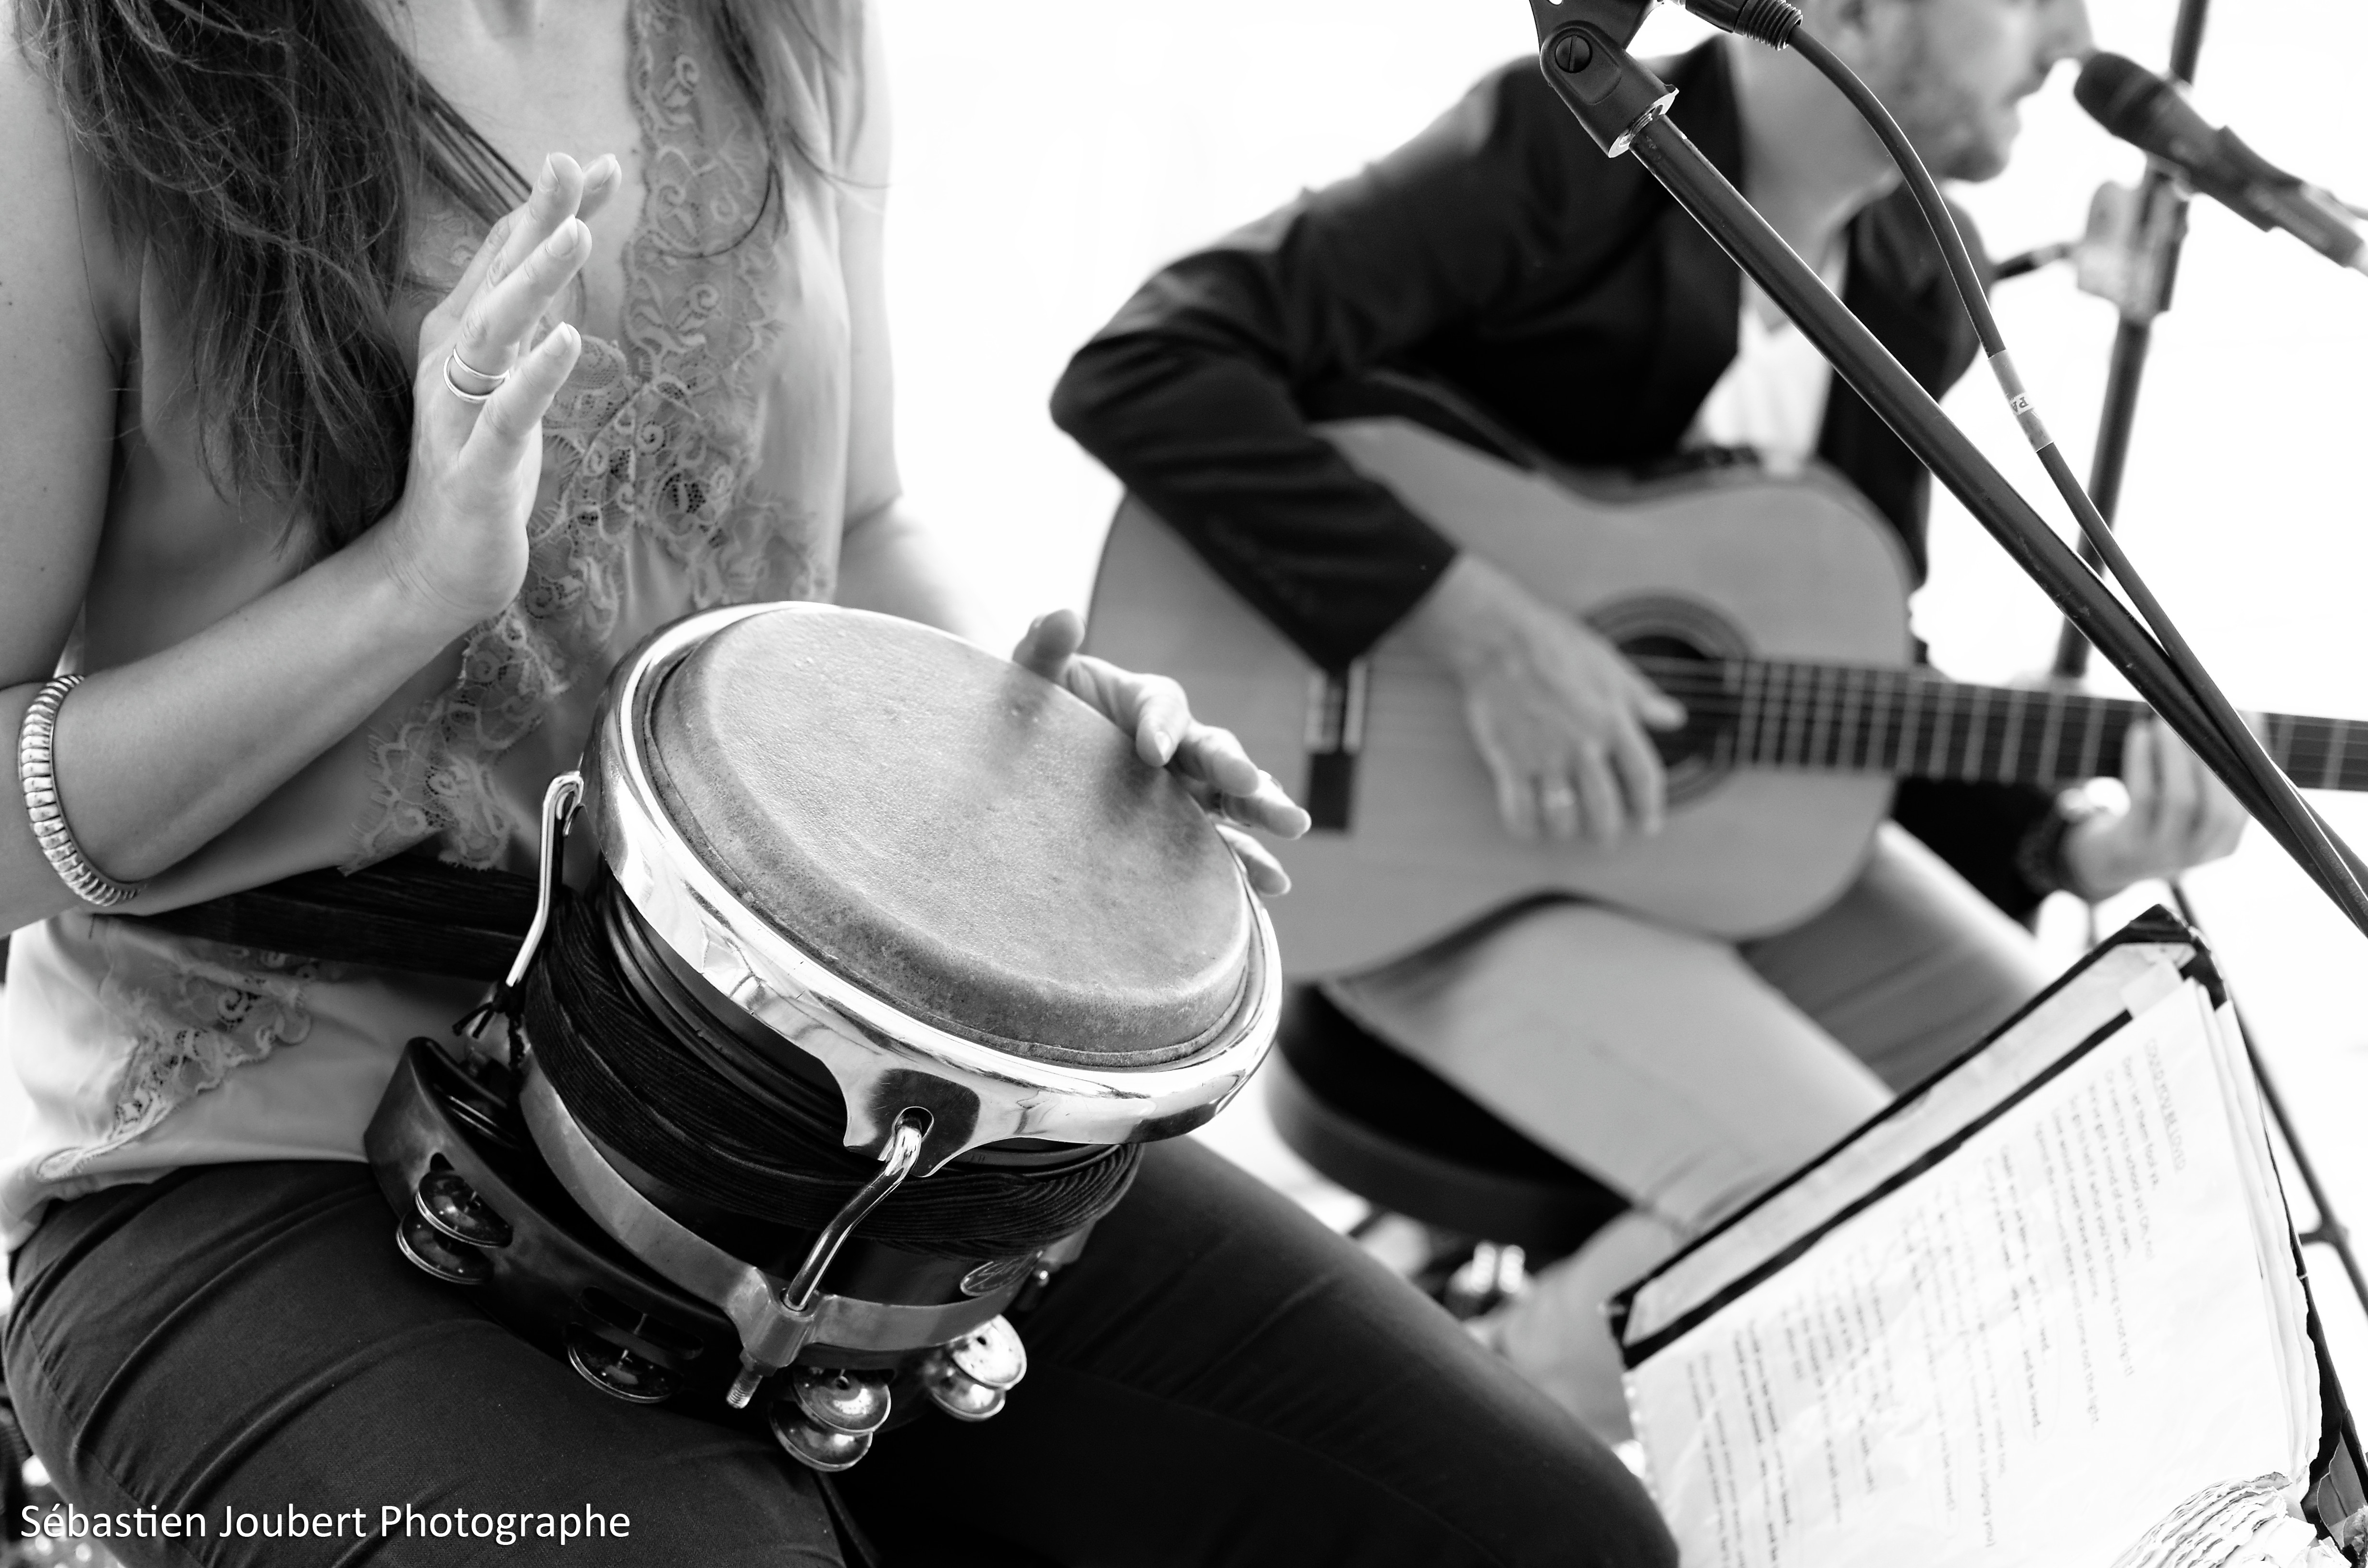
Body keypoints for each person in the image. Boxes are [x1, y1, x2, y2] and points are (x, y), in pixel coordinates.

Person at [0, 1, 1679, 1562]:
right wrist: (403, 587)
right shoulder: (59, 74)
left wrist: (1033, 749)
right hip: (254, 1155)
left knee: (1547, 1534)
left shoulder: (783, 19)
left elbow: (859, 527)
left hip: (820, 1117)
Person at [1049, 0, 2250, 1439]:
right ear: (1850, 10)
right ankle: (1413, 1446)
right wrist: (1485, 634)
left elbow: (1837, 650)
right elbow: (1148, 366)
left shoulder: (1915, 281)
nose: (2071, 34)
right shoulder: (1559, 157)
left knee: (2091, 1086)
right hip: (1418, 849)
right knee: (1830, 1197)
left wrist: (2075, 843)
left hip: (1684, 836)